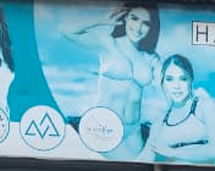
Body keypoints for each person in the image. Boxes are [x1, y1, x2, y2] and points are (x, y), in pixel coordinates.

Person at [63, 3, 160, 158]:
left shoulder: (149, 58)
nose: (139, 27)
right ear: (125, 18)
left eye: (146, 23)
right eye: (134, 18)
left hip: (134, 131)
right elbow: (66, 31)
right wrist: (100, 20)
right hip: (105, 126)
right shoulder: (109, 43)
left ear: (151, 27)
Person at [138, 55, 215, 165]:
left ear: (191, 80)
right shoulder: (160, 120)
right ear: (163, 83)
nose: (176, 86)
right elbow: (146, 156)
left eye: (183, 79)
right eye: (169, 79)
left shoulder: (204, 106)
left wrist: (172, 152)